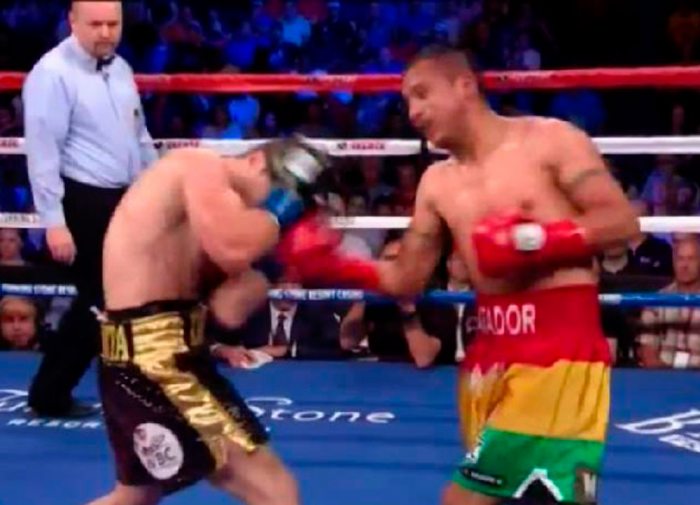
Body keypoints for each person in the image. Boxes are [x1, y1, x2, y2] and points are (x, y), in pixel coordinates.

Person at [275, 45, 640, 504]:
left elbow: (621, 223)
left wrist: (529, 240)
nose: (413, 112)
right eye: (407, 101)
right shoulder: (438, 183)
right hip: (488, 357)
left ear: (464, 86)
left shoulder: (550, 141)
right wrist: (335, 263)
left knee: (465, 498)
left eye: (422, 94)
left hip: (558, 357)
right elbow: (407, 279)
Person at [87, 137, 328, 505]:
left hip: (149, 354)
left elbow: (228, 311)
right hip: (157, 360)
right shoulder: (197, 163)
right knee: (276, 491)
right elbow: (234, 248)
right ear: (256, 162)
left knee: (134, 497)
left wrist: (280, 261)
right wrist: (283, 207)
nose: (263, 214)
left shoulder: (210, 218)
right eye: (277, 192)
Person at [22, 0, 157, 417]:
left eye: (112, 23)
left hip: (124, 197)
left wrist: (156, 187)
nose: (105, 32)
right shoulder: (52, 73)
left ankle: (68, 388)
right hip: (81, 199)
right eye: (95, 24)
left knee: (120, 296)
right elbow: (43, 151)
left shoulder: (121, 68)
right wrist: (54, 222)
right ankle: (50, 392)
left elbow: (138, 134)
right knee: (102, 297)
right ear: (73, 22)